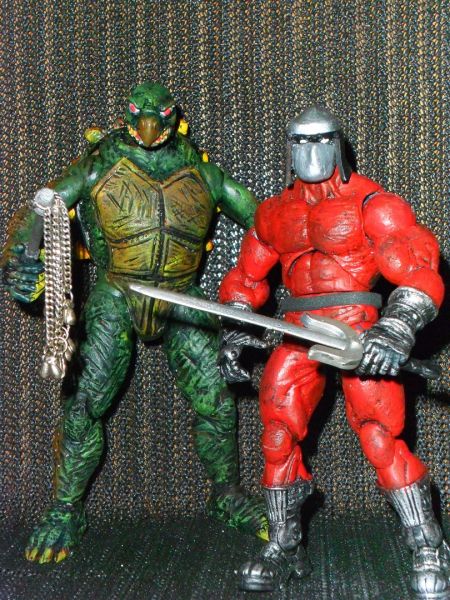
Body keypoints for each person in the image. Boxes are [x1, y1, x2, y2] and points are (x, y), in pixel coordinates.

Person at [1, 82, 267, 564]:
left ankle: (227, 494)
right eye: (138, 114)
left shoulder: (203, 171)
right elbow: (41, 207)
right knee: (85, 402)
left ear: (173, 117)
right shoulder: (99, 163)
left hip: (181, 293)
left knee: (217, 403)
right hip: (118, 292)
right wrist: (20, 258)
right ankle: (65, 509)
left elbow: (267, 225)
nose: (148, 126)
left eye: (158, 115)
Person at [218, 105, 449, 598]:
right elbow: (247, 277)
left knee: (380, 435)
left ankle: (427, 543)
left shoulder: (372, 203)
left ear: (338, 144)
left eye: (320, 141)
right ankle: (283, 544)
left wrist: (397, 327)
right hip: (298, 330)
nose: (310, 152)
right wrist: (234, 326)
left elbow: (419, 266)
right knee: (276, 435)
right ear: (288, 147)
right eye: (300, 142)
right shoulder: (274, 212)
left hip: (359, 331)